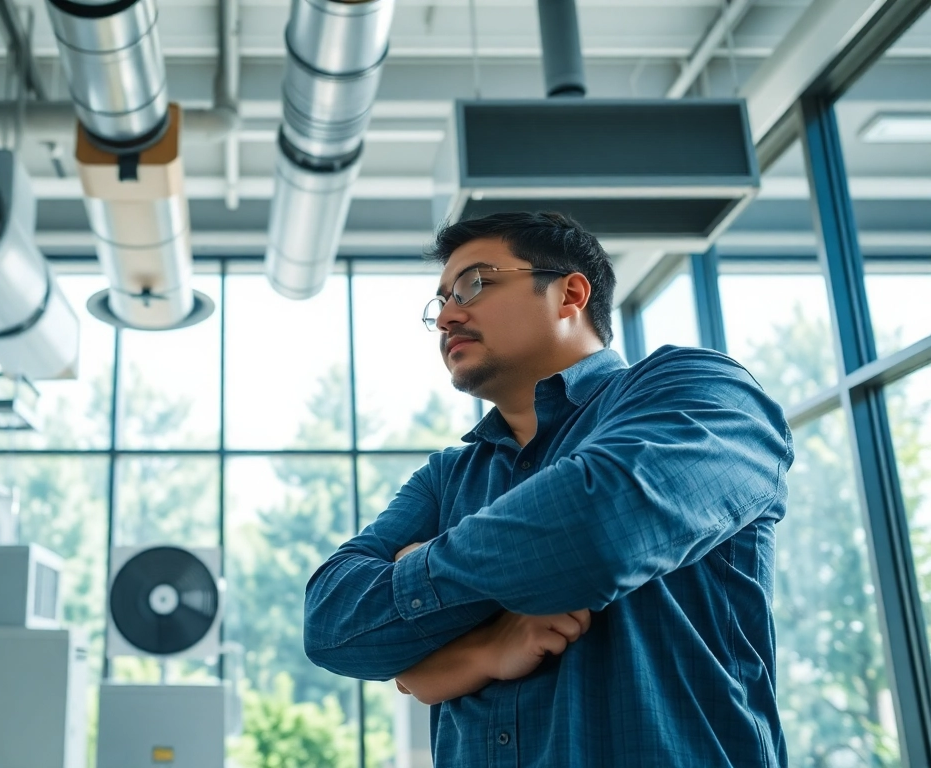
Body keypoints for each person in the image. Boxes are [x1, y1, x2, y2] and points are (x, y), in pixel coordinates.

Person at [304, 211, 793, 766]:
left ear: (570, 294)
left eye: (472, 284)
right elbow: (330, 623)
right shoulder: (449, 476)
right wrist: (488, 649)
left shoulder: (700, 389)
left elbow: (598, 527)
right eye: (439, 303)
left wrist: (434, 628)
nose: (447, 317)